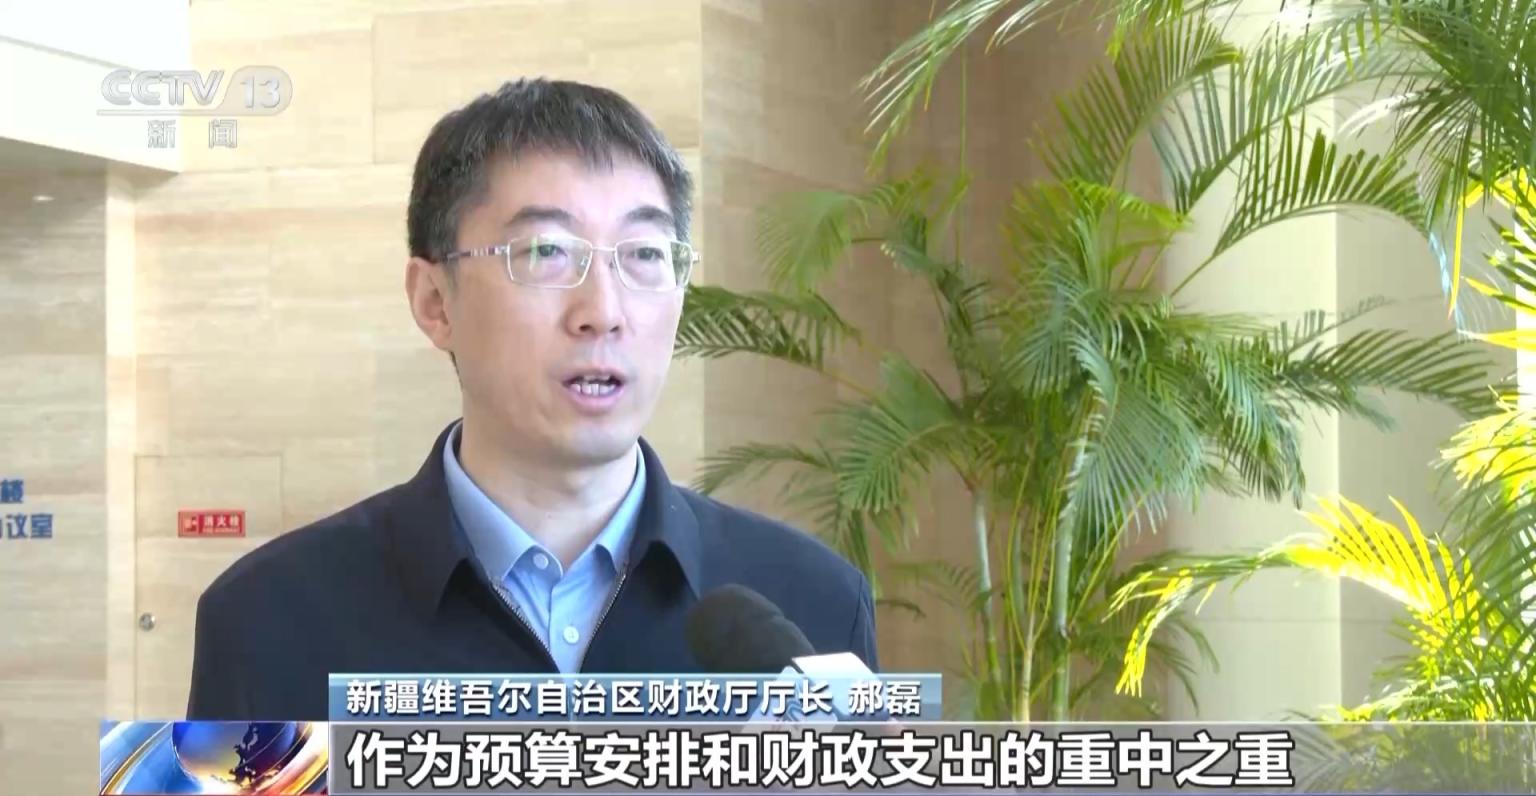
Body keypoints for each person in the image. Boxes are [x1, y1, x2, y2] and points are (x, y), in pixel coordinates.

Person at [186, 78, 879, 720]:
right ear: (435, 302)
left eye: (644, 254)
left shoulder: (814, 605)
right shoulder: (268, 617)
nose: (603, 312)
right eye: (546, 252)